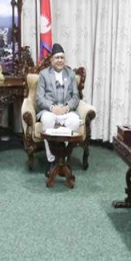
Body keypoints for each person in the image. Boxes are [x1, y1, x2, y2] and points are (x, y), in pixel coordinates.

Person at [36, 43, 82, 175]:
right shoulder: (44, 74)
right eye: (57, 58)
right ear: (51, 60)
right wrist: (52, 108)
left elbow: (76, 97)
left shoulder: (70, 74)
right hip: (50, 111)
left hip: (66, 111)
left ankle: (63, 159)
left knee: (74, 121)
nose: (60, 60)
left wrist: (67, 108)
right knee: (46, 120)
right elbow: (39, 98)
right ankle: (51, 160)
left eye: (62, 58)